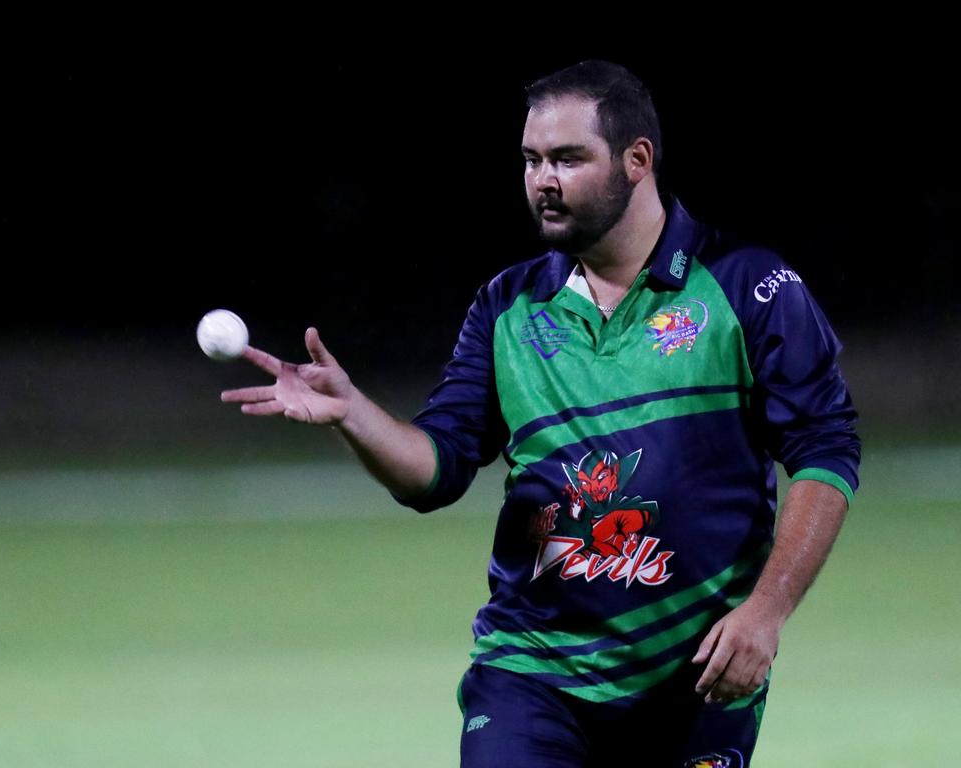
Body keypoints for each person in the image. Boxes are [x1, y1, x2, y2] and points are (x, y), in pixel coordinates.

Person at [220, 60, 860, 767]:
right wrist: (353, 414)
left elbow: (825, 452)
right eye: (530, 160)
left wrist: (766, 615)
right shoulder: (508, 306)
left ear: (637, 160)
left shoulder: (749, 288)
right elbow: (436, 472)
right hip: (534, 671)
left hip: (699, 676)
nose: (541, 179)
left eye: (566, 158)